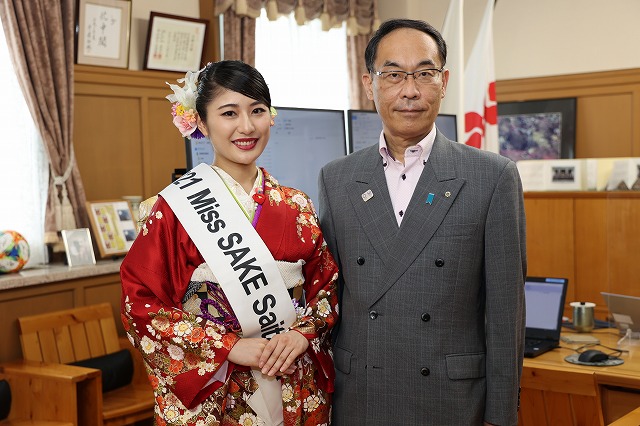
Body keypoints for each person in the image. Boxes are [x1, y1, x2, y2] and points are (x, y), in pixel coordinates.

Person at [318, 19, 526, 426]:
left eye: (425, 74)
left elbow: (505, 315)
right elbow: (329, 294)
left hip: (451, 402)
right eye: (393, 75)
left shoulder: (492, 176)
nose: (409, 90)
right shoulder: (337, 178)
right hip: (360, 397)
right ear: (369, 83)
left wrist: (501, 417)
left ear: (443, 81)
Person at [121, 60, 339, 426]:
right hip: (218, 389)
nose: (246, 126)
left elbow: (327, 288)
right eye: (229, 113)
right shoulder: (171, 211)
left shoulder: (297, 206)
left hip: (291, 377)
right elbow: (139, 303)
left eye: (257, 111)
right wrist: (229, 347)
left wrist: (303, 335)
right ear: (201, 123)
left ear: (271, 117)